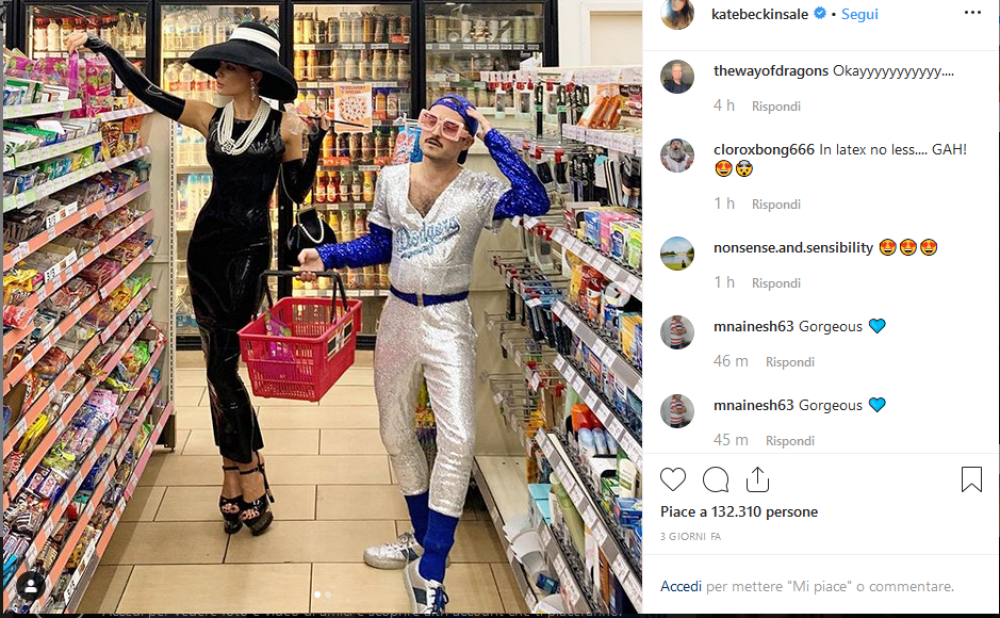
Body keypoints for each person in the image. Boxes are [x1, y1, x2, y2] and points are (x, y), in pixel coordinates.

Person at [68, 23, 329, 538]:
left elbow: (297, 193)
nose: (218, 74)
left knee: (224, 370)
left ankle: (246, 471)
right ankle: (238, 471)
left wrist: (314, 141)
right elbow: (150, 92)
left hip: (249, 251)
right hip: (206, 248)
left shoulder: (286, 126)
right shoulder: (209, 117)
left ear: (255, 75)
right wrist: (108, 51)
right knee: (215, 364)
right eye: (219, 66)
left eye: (228, 67)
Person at [298, 95, 549, 615]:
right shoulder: (392, 179)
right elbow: (380, 245)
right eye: (430, 120)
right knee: (395, 431)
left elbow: (535, 199)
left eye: (450, 127)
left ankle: (432, 568)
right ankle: (419, 539)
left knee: (459, 438)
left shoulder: (480, 189)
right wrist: (328, 256)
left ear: (465, 139)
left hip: (448, 320)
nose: (435, 130)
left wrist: (492, 136)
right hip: (397, 317)